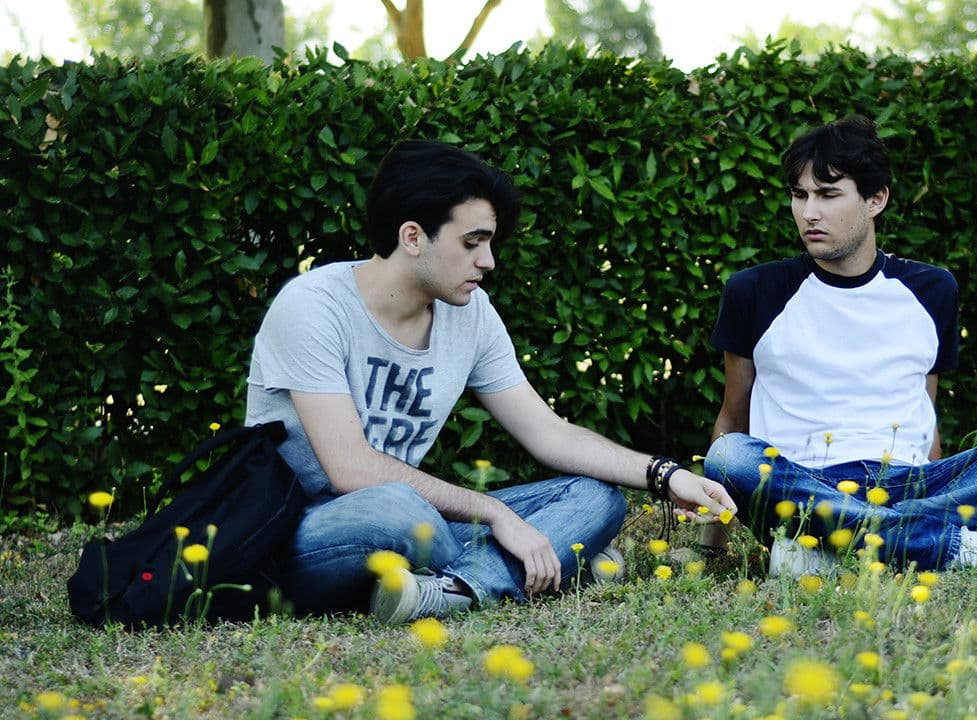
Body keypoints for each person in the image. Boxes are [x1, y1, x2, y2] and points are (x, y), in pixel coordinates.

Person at [246, 139, 736, 623]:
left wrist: (665, 474)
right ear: (413, 237)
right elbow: (350, 469)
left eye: (488, 244)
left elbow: (550, 434)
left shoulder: (470, 313)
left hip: (417, 529)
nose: (488, 261)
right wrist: (497, 515)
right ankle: (544, 566)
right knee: (397, 508)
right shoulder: (314, 307)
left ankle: (452, 590)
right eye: (471, 243)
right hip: (303, 536)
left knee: (595, 498)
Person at [699, 114, 977, 575]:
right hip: (804, 484)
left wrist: (932, 480)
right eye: (800, 195)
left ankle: (830, 547)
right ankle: (961, 548)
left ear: (876, 199)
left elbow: (923, 419)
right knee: (730, 456)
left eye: (828, 195)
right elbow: (733, 419)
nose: (809, 213)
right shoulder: (754, 291)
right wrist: (712, 547)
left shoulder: (931, 289)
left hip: (915, 483)